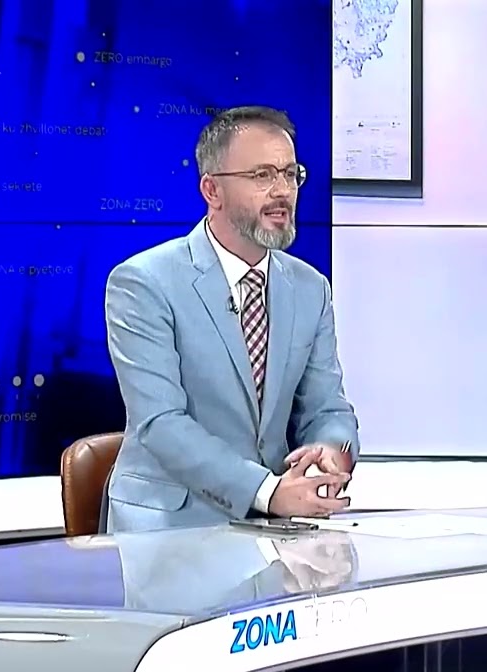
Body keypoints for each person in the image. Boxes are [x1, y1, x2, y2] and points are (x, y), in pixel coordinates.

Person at [103, 106, 360, 533]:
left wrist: (330, 452)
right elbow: (161, 424)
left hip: (276, 530)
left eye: (290, 174)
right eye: (262, 176)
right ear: (212, 190)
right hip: (171, 533)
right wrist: (266, 491)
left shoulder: (310, 288)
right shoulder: (143, 283)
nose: (283, 191)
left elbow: (326, 407)